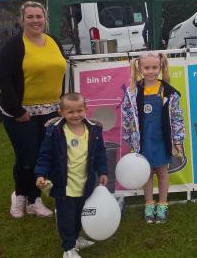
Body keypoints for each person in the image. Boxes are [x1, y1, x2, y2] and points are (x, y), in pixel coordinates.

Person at [0, 1, 66, 218]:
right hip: (21, 113)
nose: (35, 20)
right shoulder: (14, 45)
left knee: (43, 158)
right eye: (30, 17)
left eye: (39, 16)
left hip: (51, 111)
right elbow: (4, 79)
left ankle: (34, 199)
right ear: (22, 20)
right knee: (26, 158)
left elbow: (60, 72)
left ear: (45, 18)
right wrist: (17, 111)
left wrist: (62, 104)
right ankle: (19, 196)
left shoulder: (54, 41)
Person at [35, 92, 108, 258]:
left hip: (85, 183)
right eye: (70, 112)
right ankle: (68, 248)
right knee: (66, 218)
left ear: (86, 109)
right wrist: (40, 173)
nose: (76, 115)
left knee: (80, 215)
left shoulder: (94, 130)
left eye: (79, 110)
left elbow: (100, 153)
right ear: (61, 112)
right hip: (64, 185)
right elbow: (45, 155)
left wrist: (102, 171)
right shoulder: (55, 131)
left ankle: (75, 238)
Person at [121, 52, 185, 223]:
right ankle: (149, 204)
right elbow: (127, 116)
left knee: (163, 173)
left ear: (160, 67)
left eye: (154, 67)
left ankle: (163, 204)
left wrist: (177, 140)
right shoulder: (133, 92)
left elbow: (177, 117)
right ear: (140, 69)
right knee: (146, 173)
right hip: (143, 141)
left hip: (161, 139)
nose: (151, 71)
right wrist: (129, 139)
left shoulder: (168, 92)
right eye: (147, 68)